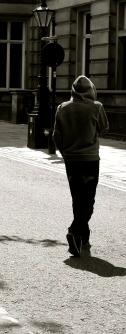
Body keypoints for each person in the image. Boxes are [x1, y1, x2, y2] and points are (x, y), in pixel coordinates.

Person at [52, 75, 109, 257]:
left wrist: (64, 152)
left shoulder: (62, 108)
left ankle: (83, 236)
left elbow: (56, 136)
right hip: (90, 160)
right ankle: (74, 231)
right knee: (88, 201)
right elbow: (104, 128)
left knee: (77, 198)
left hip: (71, 160)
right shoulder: (96, 107)